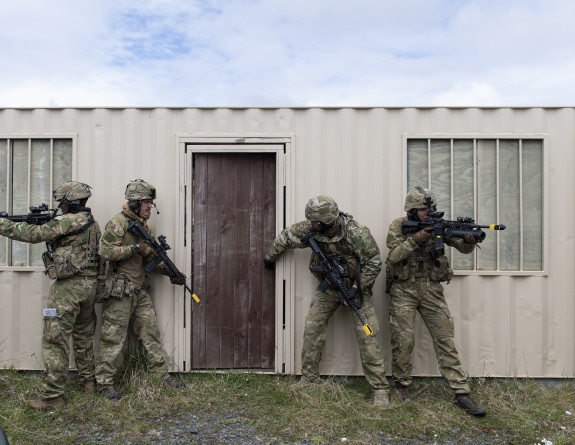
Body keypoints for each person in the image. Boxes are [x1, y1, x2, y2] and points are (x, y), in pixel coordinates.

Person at [264, 195, 391, 408]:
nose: (310, 225)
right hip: (328, 290)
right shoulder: (311, 227)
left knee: (368, 335)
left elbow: (374, 263)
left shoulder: (356, 233)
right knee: (312, 327)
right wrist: (269, 258)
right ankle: (309, 378)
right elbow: (286, 237)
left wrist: (355, 289)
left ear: (329, 221)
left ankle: (380, 388)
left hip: (355, 292)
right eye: (310, 221)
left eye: (315, 222)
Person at [386, 186, 486, 416]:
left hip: (431, 288)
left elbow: (463, 248)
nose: (429, 212)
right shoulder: (398, 225)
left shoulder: (439, 225)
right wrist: (419, 237)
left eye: (431, 208)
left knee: (445, 339)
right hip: (404, 289)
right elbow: (393, 255)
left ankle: (461, 393)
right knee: (403, 340)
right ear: (412, 210)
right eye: (423, 209)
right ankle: (402, 386)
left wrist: (469, 240)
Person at [0, 181, 101, 410]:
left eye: (62, 203)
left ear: (69, 202)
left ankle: (52, 397)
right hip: (89, 286)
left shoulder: (68, 221)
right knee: (84, 336)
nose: (60, 207)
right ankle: (89, 384)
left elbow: (35, 234)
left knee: (55, 339)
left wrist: (3, 224)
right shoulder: (92, 223)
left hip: (68, 289)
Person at [95, 179, 185, 400]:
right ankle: (104, 384)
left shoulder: (144, 227)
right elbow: (106, 252)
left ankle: (162, 377)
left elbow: (150, 257)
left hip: (139, 289)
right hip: (119, 291)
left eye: (151, 203)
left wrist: (172, 273)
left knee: (151, 333)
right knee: (113, 339)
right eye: (146, 203)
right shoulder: (117, 223)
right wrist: (136, 247)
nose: (150, 207)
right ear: (134, 203)